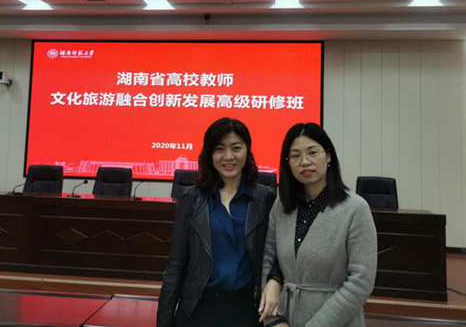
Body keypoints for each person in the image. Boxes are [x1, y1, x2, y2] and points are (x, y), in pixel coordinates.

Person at [157, 117, 278, 327]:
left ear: (247, 151)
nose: (228, 156)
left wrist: (275, 281)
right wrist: (164, 322)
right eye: (219, 149)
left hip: (247, 310)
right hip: (198, 309)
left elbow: (276, 256)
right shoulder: (191, 199)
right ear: (209, 154)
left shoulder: (265, 199)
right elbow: (176, 265)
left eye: (236, 148)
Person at [259, 122, 377, 327]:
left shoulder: (356, 209)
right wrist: (273, 321)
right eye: (295, 156)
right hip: (285, 319)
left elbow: (361, 282)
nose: (305, 162)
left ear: (328, 156)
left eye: (312, 153)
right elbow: (267, 262)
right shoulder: (282, 205)